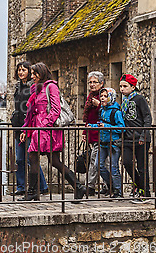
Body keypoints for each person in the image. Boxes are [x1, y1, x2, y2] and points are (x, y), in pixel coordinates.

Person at [20, 62, 86, 201]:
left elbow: (56, 109)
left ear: (41, 73)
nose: (32, 76)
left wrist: (44, 125)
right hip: (40, 128)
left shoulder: (51, 87)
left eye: (34, 73)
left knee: (34, 156)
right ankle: (78, 186)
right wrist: (26, 129)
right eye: (31, 74)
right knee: (54, 161)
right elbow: (31, 112)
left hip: (48, 129)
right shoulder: (36, 89)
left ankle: (33, 192)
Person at [11, 62, 48, 196]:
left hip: (29, 126)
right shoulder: (17, 87)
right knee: (19, 159)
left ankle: (42, 186)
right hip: (18, 126)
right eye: (19, 70)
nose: (21, 72)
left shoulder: (33, 87)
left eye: (24, 70)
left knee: (31, 158)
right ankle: (21, 187)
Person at [119, 74, 152, 203]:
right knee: (127, 162)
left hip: (140, 138)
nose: (122, 89)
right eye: (121, 86)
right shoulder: (124, 102)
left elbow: (147, 117)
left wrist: (144, 134)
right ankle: (139, 185)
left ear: (132, 87)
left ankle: (146, 193)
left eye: (125, 86)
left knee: (142, 167)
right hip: (127, 138)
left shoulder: (139, 99)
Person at [88, 88, 125, 198]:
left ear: (111, 97)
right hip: (103, 142)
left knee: (114, 167)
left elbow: (121, 128)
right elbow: (101, 125)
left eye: (105, 96)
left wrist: (107, 127)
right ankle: (111, 185)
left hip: (113, 143)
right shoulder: (102, 111)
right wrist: (92, 126)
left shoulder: (116, 112)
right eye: (102, 96)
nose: (102, 98)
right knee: (98, 165)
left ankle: (118, 191)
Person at [82, 71, 105, 196]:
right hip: (92, 133)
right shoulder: (90, 96)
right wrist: (85, 131)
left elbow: (108, 110)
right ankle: (109, 186)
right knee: (103, 162)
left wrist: (99, 105)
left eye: (94, 82)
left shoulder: (104, 95)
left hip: (101, 133)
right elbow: (88, 116)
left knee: (94, 160)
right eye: (90, 82)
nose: (92, 84)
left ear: (101, 83)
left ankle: (90, 187)